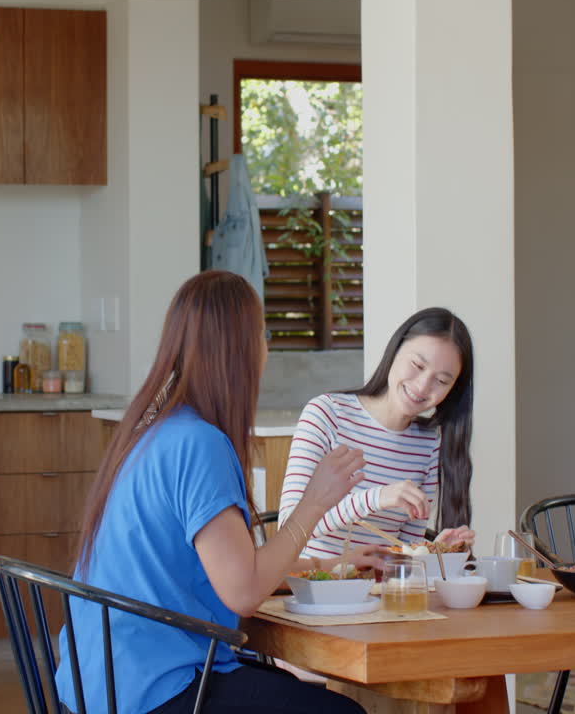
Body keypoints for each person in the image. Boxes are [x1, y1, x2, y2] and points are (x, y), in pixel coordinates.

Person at [56, 271, 375, 714]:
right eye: (262, 334)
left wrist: (330, 565)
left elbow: (227, 570)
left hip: (98, 682)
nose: (266, 348)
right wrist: (315, 501)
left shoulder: (153, 431)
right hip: (154, 691)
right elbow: (243, 593)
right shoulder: (199, 444)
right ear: (239, 350)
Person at [278, 307, 477, 560]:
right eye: (417, 365)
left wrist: (433, 551)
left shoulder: (428, 445)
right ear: (395, 350)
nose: (422, 385)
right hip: (315, 588)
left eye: (442, 381)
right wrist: (375, 498)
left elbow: (401, 553)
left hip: (378, 593)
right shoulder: (327, 414)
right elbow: (289, 529)